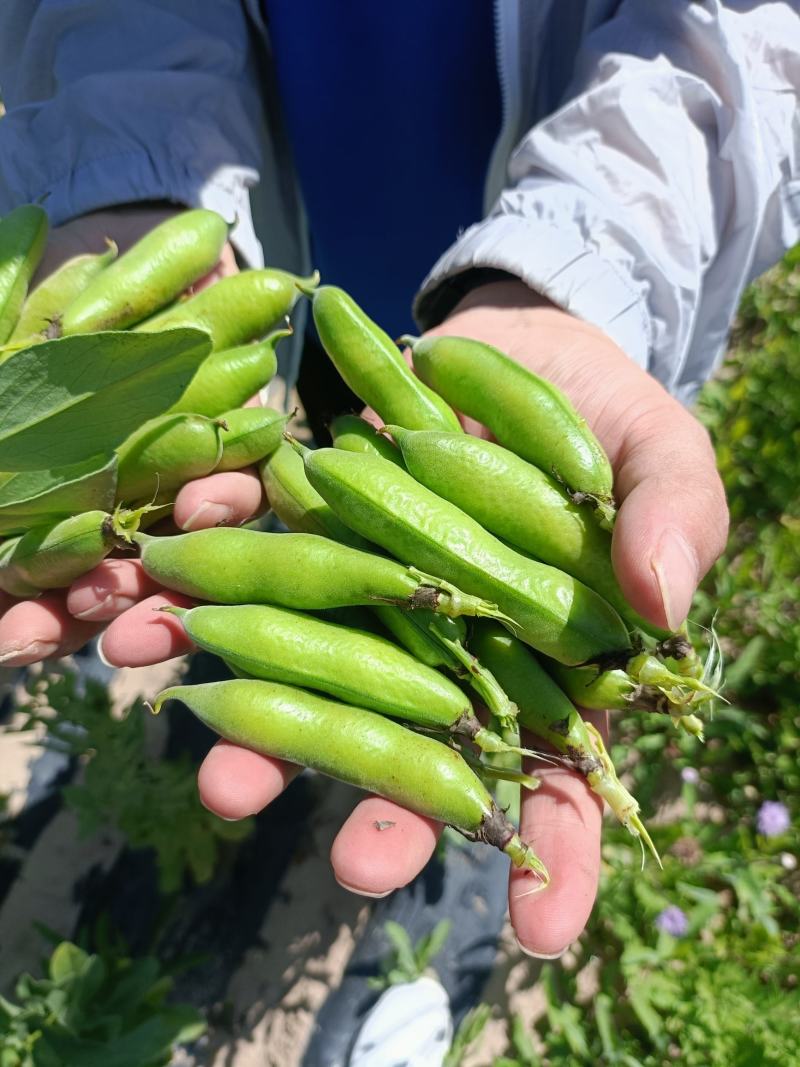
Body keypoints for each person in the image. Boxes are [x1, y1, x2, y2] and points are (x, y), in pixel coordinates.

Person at [0, 1, 797, 965]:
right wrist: (133, 168)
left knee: (343, 527)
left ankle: (464, 830)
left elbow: (737, 35)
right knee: (295, 498)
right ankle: (245, 712)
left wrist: (579, 269)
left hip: (542, 247)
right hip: (293, 217)